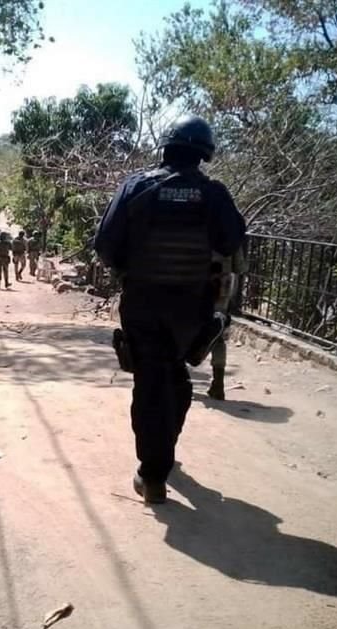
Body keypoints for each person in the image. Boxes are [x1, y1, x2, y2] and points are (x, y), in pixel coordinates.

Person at [94, 115, 246, 504]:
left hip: (143, 303)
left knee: (150, 382)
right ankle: (161, 460)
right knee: (174, 377)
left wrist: (134, 263)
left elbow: (106, 246)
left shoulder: (136, 186)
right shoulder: (213, 193)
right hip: (190, 308)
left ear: (165, 147)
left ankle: (153, 474)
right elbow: (231, 240)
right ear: (204, 155)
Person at [207, 248, 247, 400]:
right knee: (218, 334)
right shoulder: (229, 225)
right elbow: (240, 268)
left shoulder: (191, 223)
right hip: (221, 286)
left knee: (183, 328)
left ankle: (178, 376)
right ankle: (218, 383)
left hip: (193, 284)